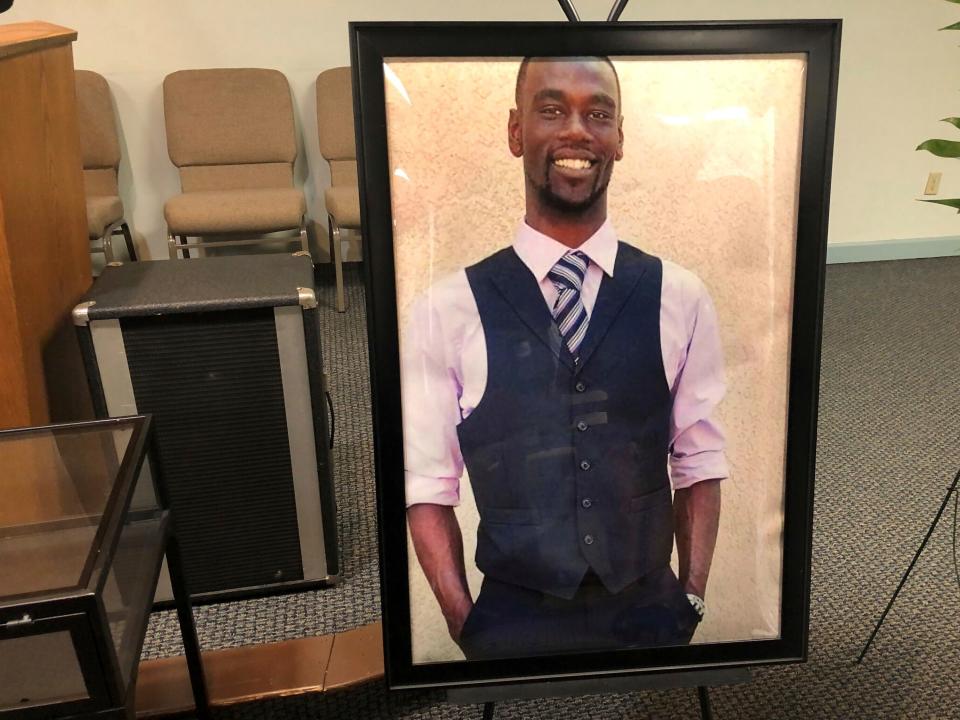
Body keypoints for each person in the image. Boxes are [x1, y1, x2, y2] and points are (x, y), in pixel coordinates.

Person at [402, 56, 728, 660]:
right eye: (552, 110)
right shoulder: (444, 309)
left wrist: (693, 597)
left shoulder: (681, 296)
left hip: (649, 602)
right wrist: (462, 621)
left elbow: (700, 458)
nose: (577, 130)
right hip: (511, 609)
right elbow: (427, 483)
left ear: (620, 139)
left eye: (598, 113)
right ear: (515, 131)